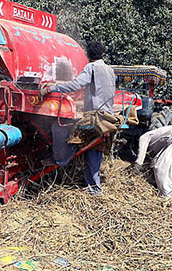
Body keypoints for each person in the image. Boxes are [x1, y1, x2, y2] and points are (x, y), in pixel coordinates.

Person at [39, 40, 115, 196]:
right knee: (94, 150)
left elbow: (76, 85)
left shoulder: (91, 67)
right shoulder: (110, 70)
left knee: (60, 128)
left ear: (88, 55)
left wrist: (51, 88)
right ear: (103, 54)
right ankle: (94, 189)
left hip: (94, 116)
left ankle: (60, 160)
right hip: (107, 117)